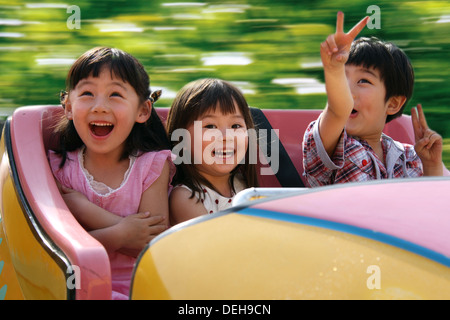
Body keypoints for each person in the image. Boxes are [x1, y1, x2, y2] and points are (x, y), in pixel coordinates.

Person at [48, 47, 175, 299]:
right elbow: (58, 253)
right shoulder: (57, 169)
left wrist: (86, 211)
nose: (100, 107)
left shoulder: (152, 166)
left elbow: (152, 245)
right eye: (87, 93)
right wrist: (123, 232)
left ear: (143, 111)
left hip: (144, 287)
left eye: (115, 94)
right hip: (78, 290)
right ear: (68, 106)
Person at [302, 12, 443, 187]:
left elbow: (427, 205)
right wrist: (333, 69)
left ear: (392, 104)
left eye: (363, 81)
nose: (347, 90)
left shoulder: (409, 158)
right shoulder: (333, 145)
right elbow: (338, 110)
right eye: (342, 79)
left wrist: (431, 165)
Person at [167, 78, 258, 225]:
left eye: (235, 125)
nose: (226, 136)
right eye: (210, 126)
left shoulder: (243, 184)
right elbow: (217, 245)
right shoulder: (185, 197)